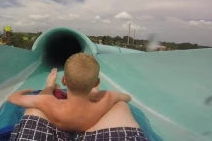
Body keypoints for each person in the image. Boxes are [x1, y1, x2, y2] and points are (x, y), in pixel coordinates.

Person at [8, 53, 148, 140]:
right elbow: (126, 97)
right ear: (97, 83)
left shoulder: (49, 102)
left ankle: (52, 85)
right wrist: (97, 94)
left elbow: (13, 98)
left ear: (64, 80)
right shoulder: (105, 99)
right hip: (92, 125)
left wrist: (45, 87)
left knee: (47, 92)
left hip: (57, 124)